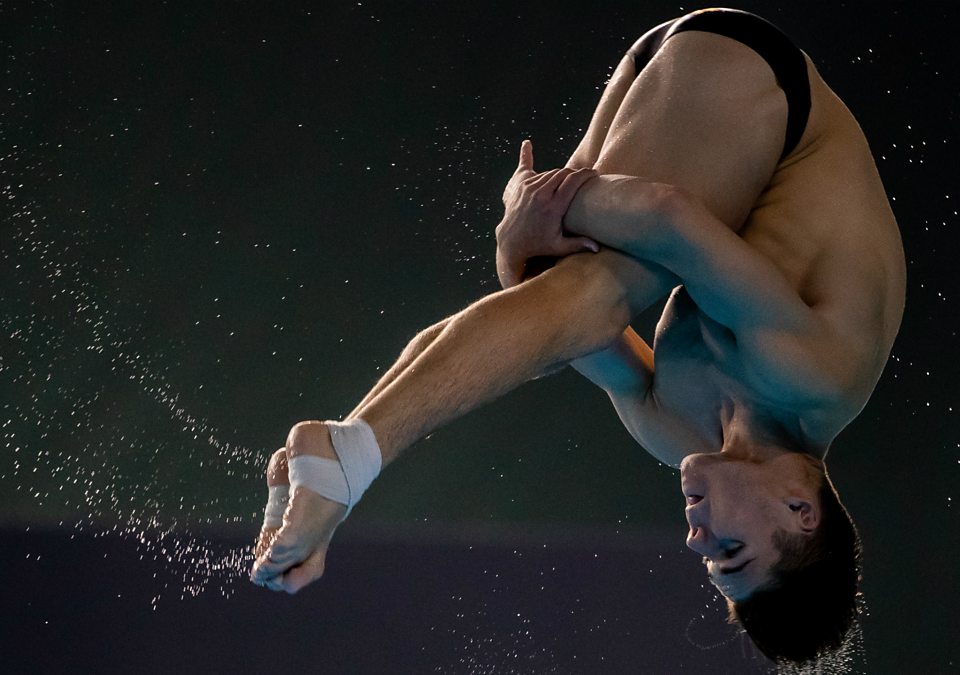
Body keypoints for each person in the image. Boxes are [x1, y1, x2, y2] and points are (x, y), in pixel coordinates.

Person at [250, 8, 904, 664]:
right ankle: (351, 455)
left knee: (570, 314)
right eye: (729, 550)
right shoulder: (818, 373)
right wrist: (531, 206)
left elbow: (547, 318)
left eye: (710, 562)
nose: (694, 540)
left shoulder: (673, 432)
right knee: (601, 296)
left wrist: (515, 249)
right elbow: (663, 215)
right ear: (801, 508)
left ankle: (348, 441)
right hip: (756, 81)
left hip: (669, 90)